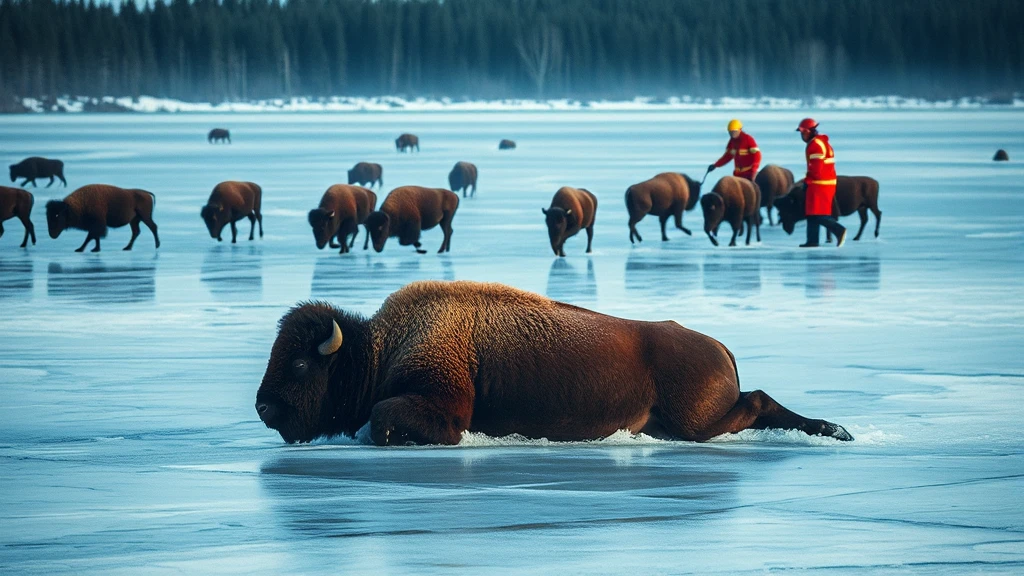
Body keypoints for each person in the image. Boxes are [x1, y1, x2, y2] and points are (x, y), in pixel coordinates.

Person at [796, 118, 846, 248]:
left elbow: (816, 170)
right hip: (824, 183)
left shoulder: (815, 145)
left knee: (818, 214)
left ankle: (839, 230)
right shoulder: (821, 142)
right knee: (812, 213)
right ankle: (812, 241)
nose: (802, 136)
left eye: (803, 133)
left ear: (809, 131)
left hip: (820, 184)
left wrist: (807, 180)